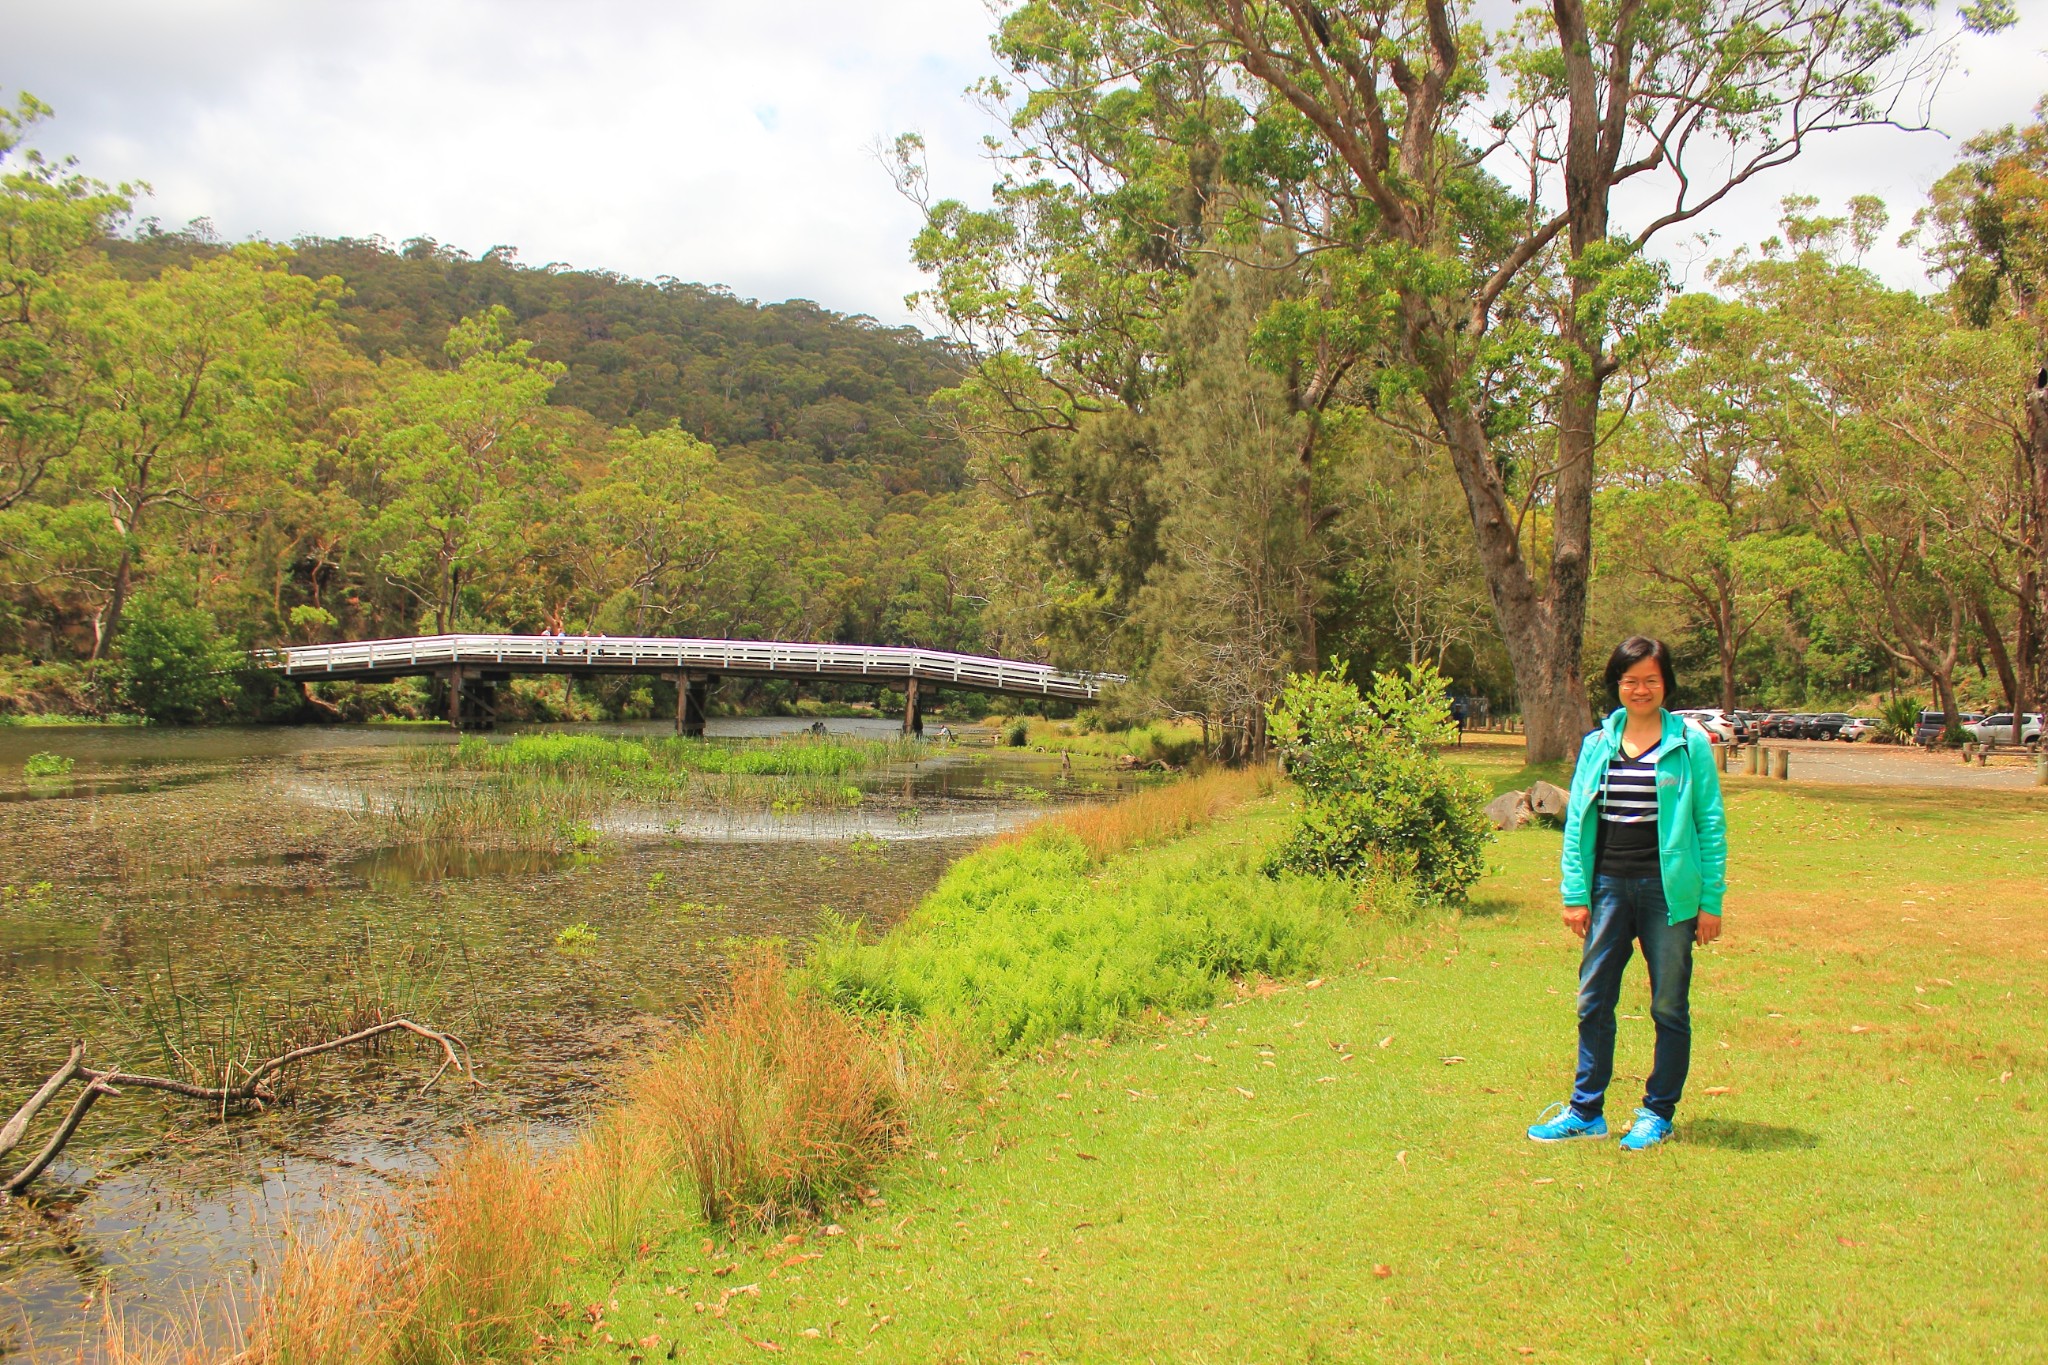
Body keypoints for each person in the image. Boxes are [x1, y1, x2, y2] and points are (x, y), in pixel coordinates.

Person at [1527, 635, 1728, 1152]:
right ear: (1618, 684)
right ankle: (1585, 1111)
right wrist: (1576, 894)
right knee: (1594, 1001)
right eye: (1630, 680)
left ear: (1666, 684)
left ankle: (1657, 1113)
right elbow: (1577, 825)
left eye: (1650, 680)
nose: (1640, 689)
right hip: (1607, 889)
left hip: (1670, 895)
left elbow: (1710, 823)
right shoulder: (1598, 744)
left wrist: (1711, 903)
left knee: (1668, 1006)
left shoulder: (1690, 744)